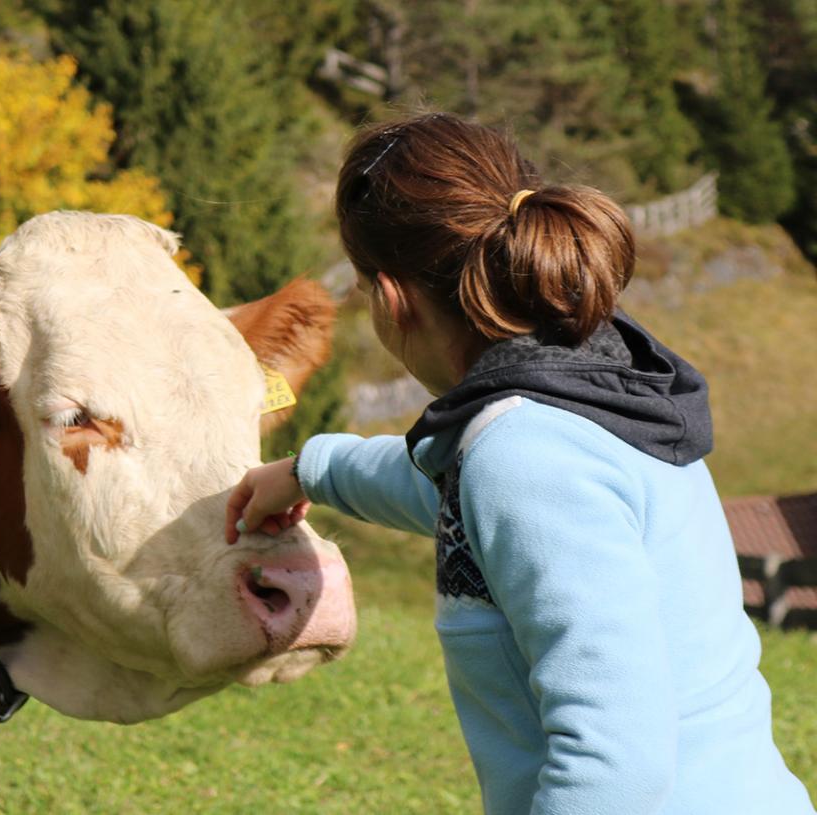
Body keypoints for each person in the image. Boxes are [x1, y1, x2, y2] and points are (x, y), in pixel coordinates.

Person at [226, 112, 815, 814]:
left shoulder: (525, 457)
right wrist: (309, 470)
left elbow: (615, 765)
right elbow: (454, 494)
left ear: (390, 299)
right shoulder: (597, 384)